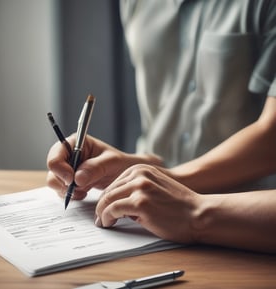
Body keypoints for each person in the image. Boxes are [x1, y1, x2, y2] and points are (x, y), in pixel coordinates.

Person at [46, 0, 276, 253]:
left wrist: (167, 179)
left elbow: (272, 137)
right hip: (146, 212)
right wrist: (135, 165)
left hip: (243, 219)